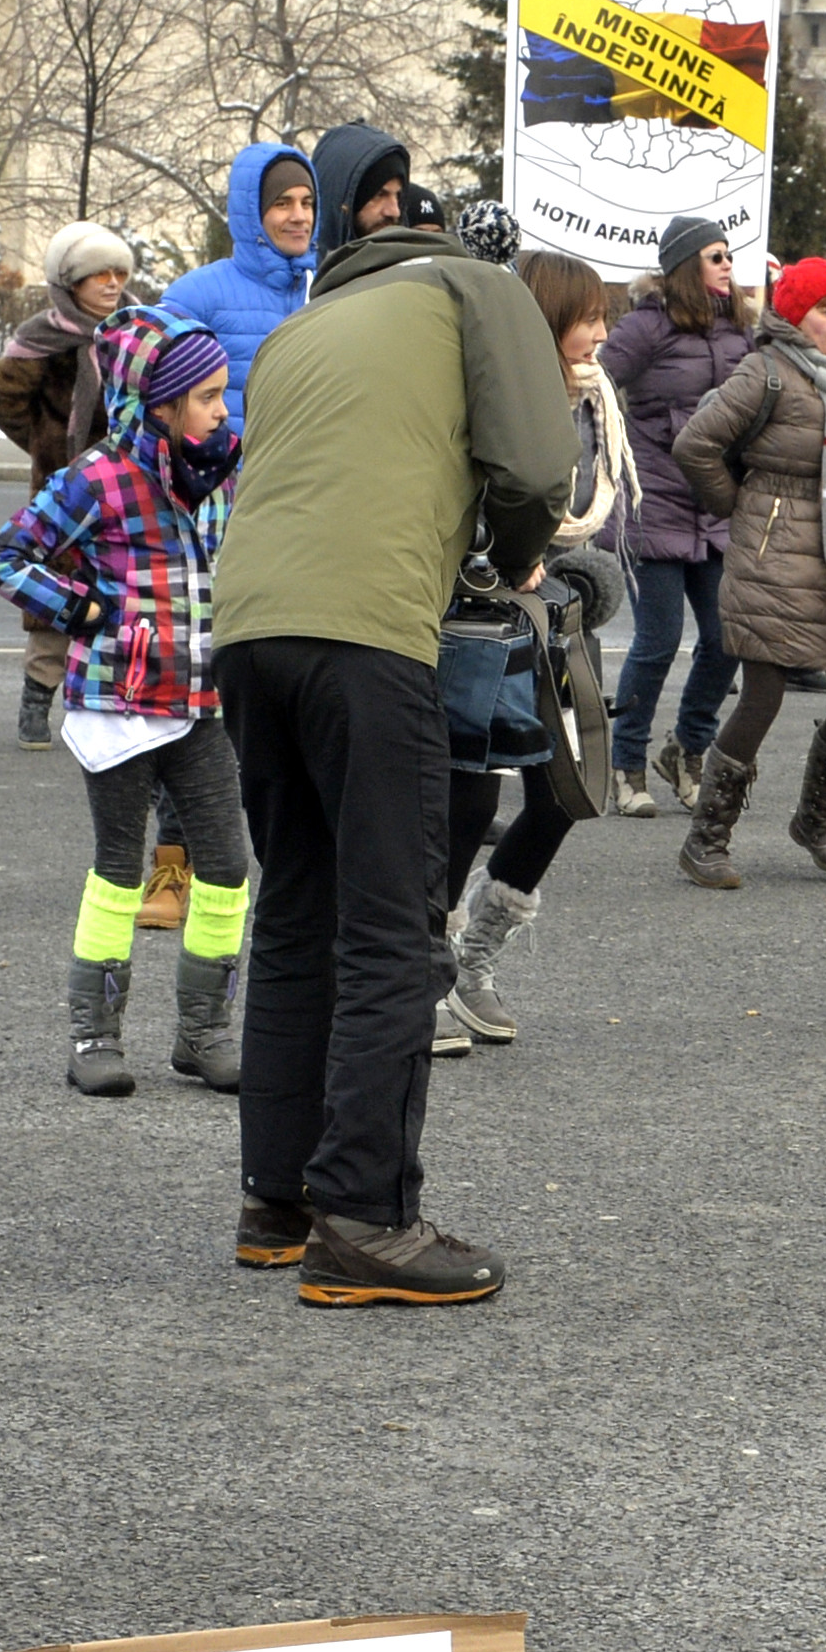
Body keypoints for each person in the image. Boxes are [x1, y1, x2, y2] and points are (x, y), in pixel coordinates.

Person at [206, 114, 573, 1306]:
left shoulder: (304, 325)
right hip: (368, 636)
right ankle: (368, 1219)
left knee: (298, 911)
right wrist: (517, 560)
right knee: (389, 926)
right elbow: (531, 465)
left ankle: (280, 1199)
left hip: (252, 633)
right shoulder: (478, 289)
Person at [0, 324, 250, 1094]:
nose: (220, 411)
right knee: (120, 870)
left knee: (227, 865)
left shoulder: (224, 473)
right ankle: (94, 1040)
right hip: (119, 706)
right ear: (161, 405)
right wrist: (84, 611)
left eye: (222, 393)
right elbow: (3, 557)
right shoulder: (99, 476)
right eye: (205, 397)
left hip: (201, 704)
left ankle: (204, 1035)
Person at [444, 249, 635, 1049]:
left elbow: (580, 514)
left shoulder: (592, 402)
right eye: (585, 318)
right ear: (544, 320)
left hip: (549, 616)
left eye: (601, 317)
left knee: (566, 791)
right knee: (471, 797)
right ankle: (428, 968)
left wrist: (580, 579)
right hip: (479, 617)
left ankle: (473, 955)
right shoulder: (494, 395)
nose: (599, 334)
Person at [671, 256, 826, 886]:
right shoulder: (764, 371)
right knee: (762, 697)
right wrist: (741, 504)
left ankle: (815, 821)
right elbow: (696, 446)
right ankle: (705, 840)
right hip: (771, 553)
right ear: (797, 315)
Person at [601, 215, 755, 818]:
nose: (727, 265)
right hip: (654, 504)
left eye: (728, 255)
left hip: (715, 508)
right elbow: (596, 385)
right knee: (659, 640)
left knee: (725, 640)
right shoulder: (645, 326)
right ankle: (626, 763)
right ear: (687, 265)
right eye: (715, 256)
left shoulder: (742, 329)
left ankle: (688, 750)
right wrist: (613, 458)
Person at [0, 221, 147, 748]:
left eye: (119, 272)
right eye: (99, 274)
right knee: (55, 601)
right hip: (64, 495)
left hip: (125, 493)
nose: (111, 283)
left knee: (126, 601)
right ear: (70, 281)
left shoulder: (139, 331)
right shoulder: (44, 337)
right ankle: (36, 702)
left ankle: (119, 708)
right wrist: (46, 445)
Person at [167, 139, 316, 418]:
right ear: (253, 214)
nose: (299, 217)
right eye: (282, 203)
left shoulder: (326, 291)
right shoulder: (196, 296)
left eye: (307, 203)